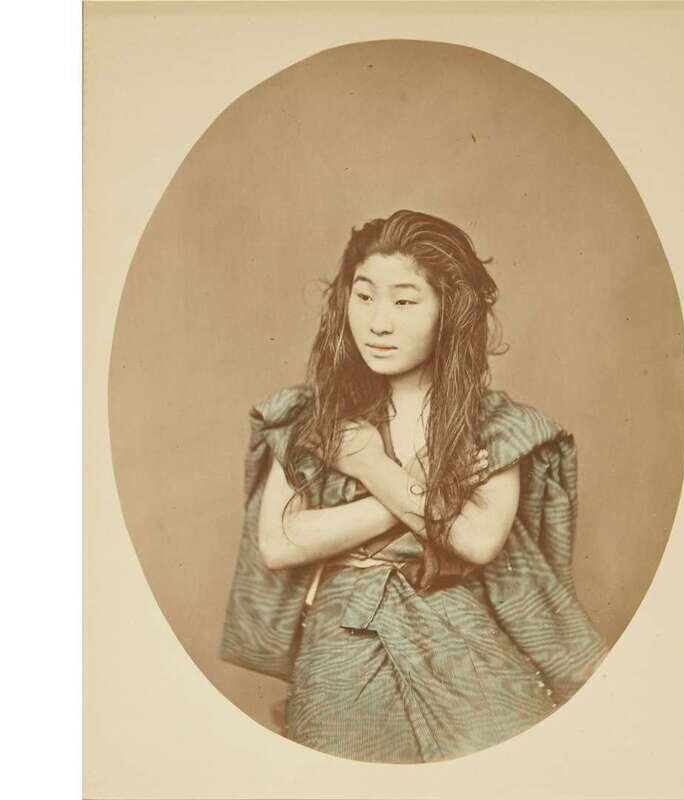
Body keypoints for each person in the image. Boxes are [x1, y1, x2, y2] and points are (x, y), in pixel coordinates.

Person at [221, 210, 608, 763]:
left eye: (404, 302)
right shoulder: (312, 415)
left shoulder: (496, 424)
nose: (378, 323)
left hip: (461, 633)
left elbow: (477, 540)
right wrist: (421, 492)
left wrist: (371, 468)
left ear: (449, 311)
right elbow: (279, 542)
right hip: (342, 636)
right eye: (364, 297)